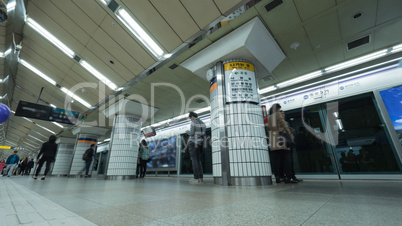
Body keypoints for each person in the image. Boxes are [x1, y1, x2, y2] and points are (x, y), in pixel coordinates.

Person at [267, 104, 297, 184]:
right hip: (281, 139)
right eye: (279, 109)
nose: (280, 111)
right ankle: (288, 177)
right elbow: (283, 124)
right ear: (277, 109)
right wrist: (289, 133)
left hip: (273, 139)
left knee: (277, 160)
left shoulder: (269, 117)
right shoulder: (277, 114)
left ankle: (278, 177)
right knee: (287, 160)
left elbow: (268, 128)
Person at [280, 110, 303, 182]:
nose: (283, 115)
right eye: (281, 113)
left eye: (283, 113)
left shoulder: (286, 123)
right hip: (282, 144)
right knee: (286, 161)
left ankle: (292, 176)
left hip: (289, 143)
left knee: (291, 161)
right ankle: (287, 176)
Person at [186, 112, 206, 184]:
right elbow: (203, 133)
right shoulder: (202, 123)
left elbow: (191, 133)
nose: (190, 119)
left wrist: (187, 132)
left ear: (192, 117)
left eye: (190, 118)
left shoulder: (193, 122)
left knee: (194, 160)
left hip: (193, 142)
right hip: (199, 143)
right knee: (198, 160)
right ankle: (200, 178)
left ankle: (196, 178)